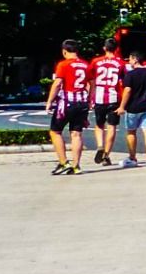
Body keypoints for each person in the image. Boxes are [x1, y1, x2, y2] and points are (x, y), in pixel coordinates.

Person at [45, 40, 92, 176]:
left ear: (64, 51)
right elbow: (91, 83)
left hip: (67, 102)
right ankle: (76, 165)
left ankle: (63, 162)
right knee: (76, 133)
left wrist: (49, 101)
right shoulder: (85, 65)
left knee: (55, 131)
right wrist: (89, 99)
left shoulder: (63, 64)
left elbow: (58, 83)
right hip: (82, 101)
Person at [119, 54, 146, 168]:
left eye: (130, 59)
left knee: (131, 131)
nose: (129, 62)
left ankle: (132, 158)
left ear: (135, 59)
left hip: (133, 108)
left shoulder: (130, 75)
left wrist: (122, 106)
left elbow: (127, 90)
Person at [88, 43, 125, 167]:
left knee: (99, 125)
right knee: (112, 126)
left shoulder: (96, 61)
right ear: (116, 49)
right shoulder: (120, 63)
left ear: (104, 48)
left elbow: (90, 79)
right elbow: (124, 82)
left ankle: (100, 146)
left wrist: (90, 96)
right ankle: (106, 155)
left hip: (99, 97)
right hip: (114, 97)